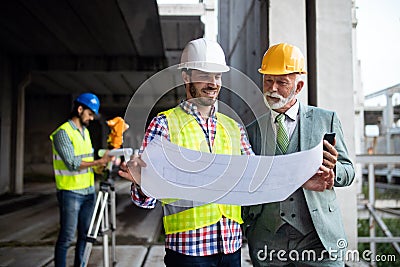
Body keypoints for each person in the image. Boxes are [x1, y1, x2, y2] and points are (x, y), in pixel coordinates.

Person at [118, 38, 254, 266]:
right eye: (204, 75)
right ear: (186, 77)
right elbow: (145, 201)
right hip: (188, 250)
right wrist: (143, 183)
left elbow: (252, 181)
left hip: (231, 247)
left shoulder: (234, 128)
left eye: (217, 76)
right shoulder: (164, 125)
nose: (213, 83)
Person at [242, 43, 355, 266]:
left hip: (318, 238)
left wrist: (334, 171)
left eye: (282, 82)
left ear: (299, 85)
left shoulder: (326, 120)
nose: (272, 88)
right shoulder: (250, 130)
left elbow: (348, 171)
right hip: (268, 241)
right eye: (268, 80)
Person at [50, 93, 112, 267]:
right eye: (90, 113)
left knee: (85, 235)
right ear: (79, 109)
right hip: (70, 193)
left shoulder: (85, 132)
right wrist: (100, 161)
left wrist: (101, 166)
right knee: (67, 237)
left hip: (88, 192)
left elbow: (88, 161)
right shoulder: (63, 133)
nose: (91, 118)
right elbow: (72, 163)